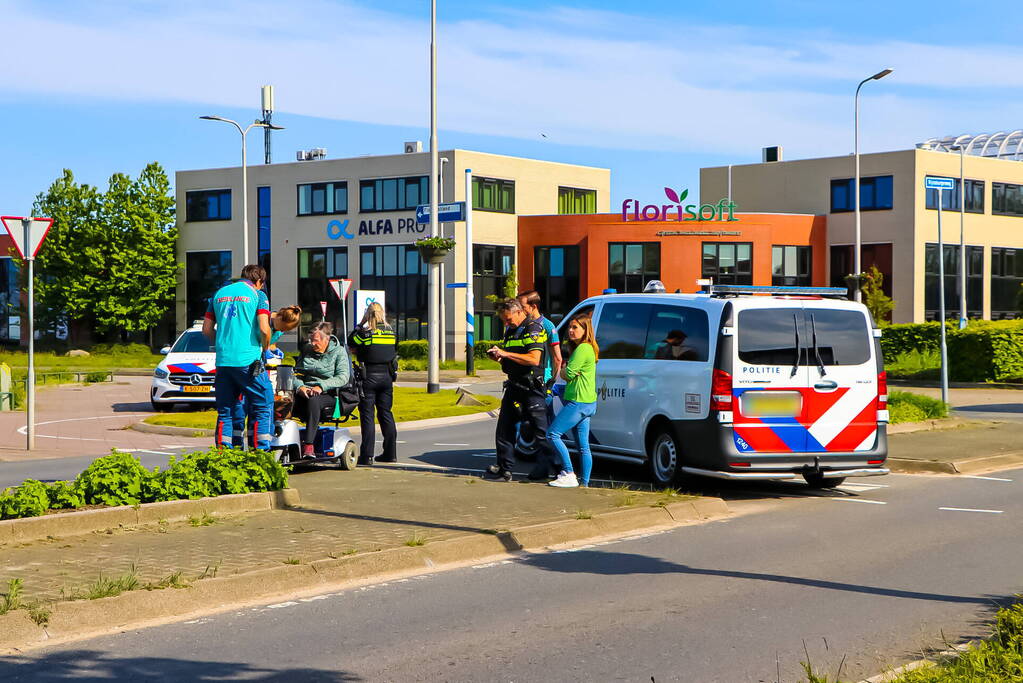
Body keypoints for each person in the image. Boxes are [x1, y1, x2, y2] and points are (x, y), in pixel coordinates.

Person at [482, 298, 553, 482]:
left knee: (539, 431)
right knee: (504, 429)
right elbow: (514, 359)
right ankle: (504, 469)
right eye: (503, 320)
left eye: (508, 319)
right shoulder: (511, 331)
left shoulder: (533, 329)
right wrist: (500, 358)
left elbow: (533, 359)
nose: (506, 323)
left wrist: (506, 353)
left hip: (531, 388)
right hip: (514, 385)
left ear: (519, 311)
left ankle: (543, 470)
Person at [202, 264, 272, 450]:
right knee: (263, 405)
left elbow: (206, 329)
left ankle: (224, 455)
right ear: (259, 281)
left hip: (223, 362)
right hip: (248, 361)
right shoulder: (259, 295)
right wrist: (265, 349)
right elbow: (265, 329)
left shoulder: (219, 294)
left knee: (226, 411)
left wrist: (223, 344)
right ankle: (261, 455)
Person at [548, 314, 599, 488]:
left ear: (585, 330)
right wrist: (569, 370)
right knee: (583, 446)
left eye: (575, 327)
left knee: (552, 434)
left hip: (578, 401)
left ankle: (568, 472)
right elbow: (572, 372)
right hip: (588, 401)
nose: (570, 330)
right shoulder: (589, 348)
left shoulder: (583, 349)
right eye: (570, 327)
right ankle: (584, 484)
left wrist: (563, 370)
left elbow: (568, 374)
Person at [292, 321, 351, 458]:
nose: (312, 344)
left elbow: (343, 377)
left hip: (329, 393)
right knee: (282, 399)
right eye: (311, 340)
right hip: (306, 390)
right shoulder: (307, 350)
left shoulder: (339, 352)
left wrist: (321, 386)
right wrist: (300, 387)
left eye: (316, 341)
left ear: (327, 339)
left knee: (314, 401)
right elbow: (297, 374)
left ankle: (309, 446)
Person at [348, 302, 398, 465]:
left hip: (368, 376)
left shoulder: (364, 333)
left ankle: (367, 455)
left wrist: (360, 324)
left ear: (367, 315)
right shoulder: (391, 332)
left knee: (367, 416)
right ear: (382, 313)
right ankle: (390, 453)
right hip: (387, 377)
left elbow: (351, 342)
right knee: (386, 413)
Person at [516, 290, 562, 390]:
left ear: (533, 307)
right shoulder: (520, 325)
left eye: (522, 307)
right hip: (522, 381)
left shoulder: (547, 326)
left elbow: (557, 359)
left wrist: (552, 383)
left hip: (541, 382)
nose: (519, 311)